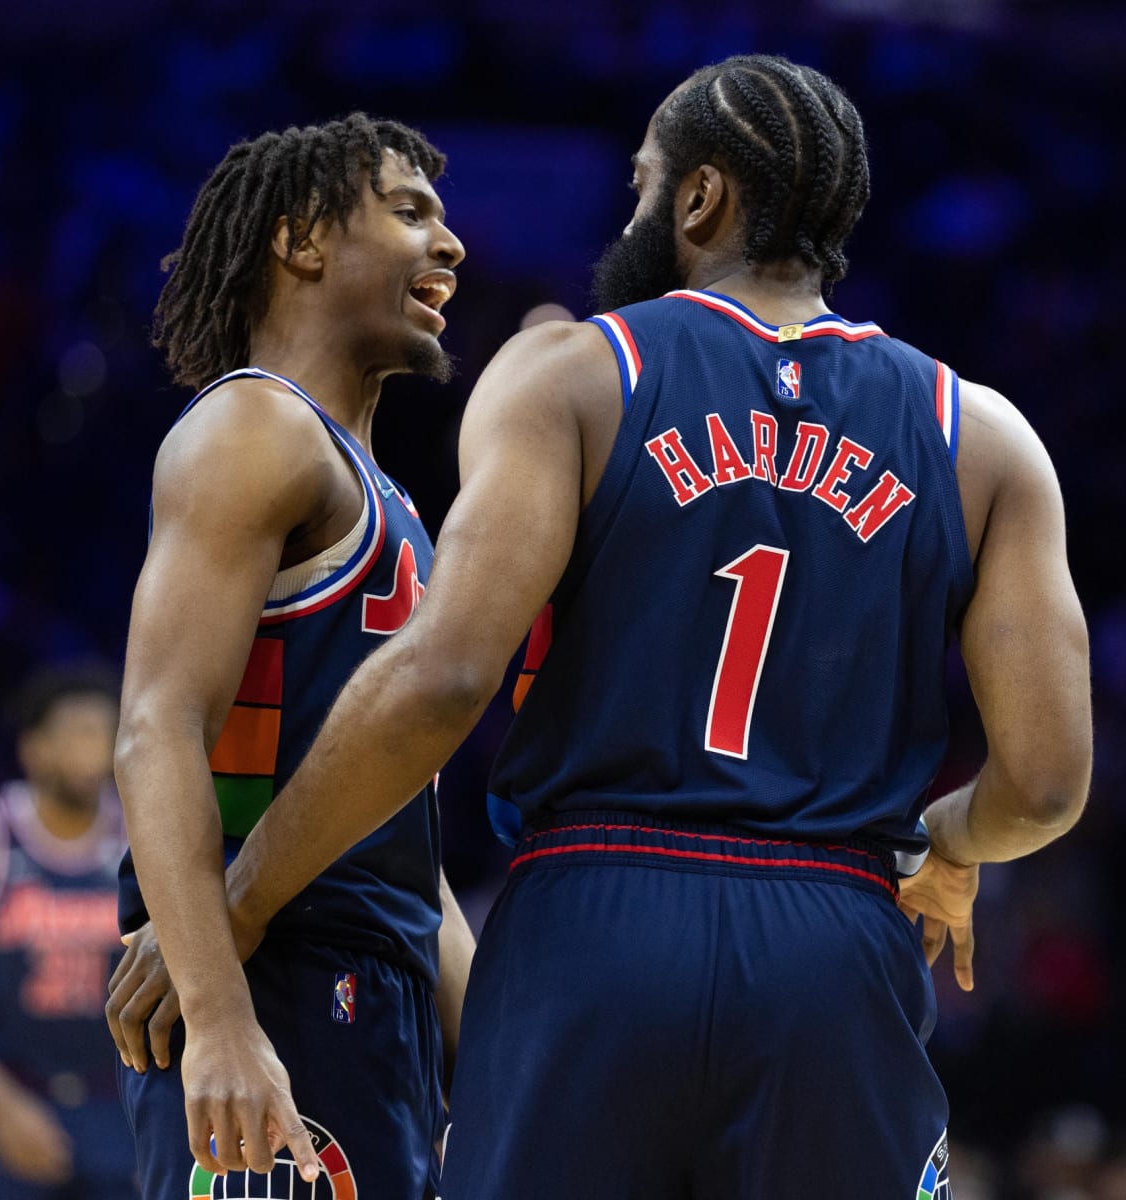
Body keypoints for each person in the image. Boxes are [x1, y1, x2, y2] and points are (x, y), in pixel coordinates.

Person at [119, 57, 1092, 1197]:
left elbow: (439, 683)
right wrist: (947, 846)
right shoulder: (981, 433)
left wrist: (239, 905)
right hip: (839, 929)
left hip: (592, 916)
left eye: (641, 187)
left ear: (698, 200)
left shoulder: (577, 375)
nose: (628, 216)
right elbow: (1046, 782)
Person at [106, 114, 475, 1199]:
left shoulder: (388, 496)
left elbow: (402, 833)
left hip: (379, 995)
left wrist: (503, 1062)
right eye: (411, 213)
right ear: (302, 239)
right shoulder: (257, 431)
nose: (449, 246)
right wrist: (220, 1021)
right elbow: (154, 727)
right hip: (274, 984)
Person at [0, 662, 136, 1200]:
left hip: (121, 1106)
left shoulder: (143, 836)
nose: (92, 750)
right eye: (77, 733)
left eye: (104, 733)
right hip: (7, 1100)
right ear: (33, 748)